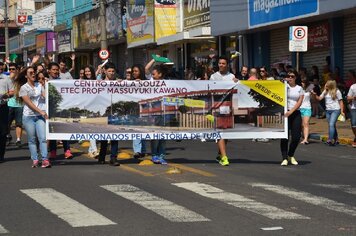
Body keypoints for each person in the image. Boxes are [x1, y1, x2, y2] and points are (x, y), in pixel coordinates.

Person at [16, 67, 51, 168]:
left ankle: (45, 159)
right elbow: (29, 103)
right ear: (26, 75)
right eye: (30, 73)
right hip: (28, 117)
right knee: (32, 139)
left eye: (34, 72)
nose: (33, 74)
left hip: (40, 117)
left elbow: (45, 96)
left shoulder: (39, 85)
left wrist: (47, 85)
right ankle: (35, 159)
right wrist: (41, 111)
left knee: (43, 138)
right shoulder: (23, 88)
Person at [210, 56, 238, 166]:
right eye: (219, 63)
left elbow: (237, 90)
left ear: (227, 65)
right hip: (217, 106)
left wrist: (237, 82)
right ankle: (224, 157)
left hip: (228, 106)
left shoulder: (232, 76)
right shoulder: (213, 76)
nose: (221, 65)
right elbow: (211, 91)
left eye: (223, 63)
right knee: (220, 132)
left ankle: (220, 154)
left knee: (226, 133)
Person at [47, 62, 73, 159]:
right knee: (52, 131)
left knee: (63, 130)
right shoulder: (45, 81)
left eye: (56, 69)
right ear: (49, 70)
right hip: (49, 110)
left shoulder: (62, 81)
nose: (55, 71)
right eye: (53, 69)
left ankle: (67, 150)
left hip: (61, 109)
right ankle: (53, 151)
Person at [97, 62, 120, 166]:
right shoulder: (100, 82)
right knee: (104, 137)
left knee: (115, 136)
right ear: (105, 71)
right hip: (103, 112)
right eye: (109, 71)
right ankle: (102, 157)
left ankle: (113, 158)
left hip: (115, 112)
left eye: (113, 71)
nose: (111, 73)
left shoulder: (118, 82)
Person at [281, 69, 304, 166]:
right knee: (284, 137)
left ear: (296, 78)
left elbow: (299, 101)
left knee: (296, 137)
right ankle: (284, 158)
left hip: (295, 113)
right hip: (285, 113)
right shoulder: (283, 86)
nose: (290, 78)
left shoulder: (299, 88)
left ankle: (291, 154)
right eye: (288, 76)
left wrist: (291, 111)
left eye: (292, 76)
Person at [312, 80, 345, 146]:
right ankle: (336, 139)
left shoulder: (337, 91)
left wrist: (342, 111)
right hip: (328, 111)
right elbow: (319, 99)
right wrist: (314, 95)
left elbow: (341, 102)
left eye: (327, 84)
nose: (325, 84)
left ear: (330, 85)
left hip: (336, 110)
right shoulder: (325, 91)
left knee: (331, 124)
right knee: (332, 125)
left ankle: (330, 139)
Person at [130, 64, 147, 158]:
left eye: (136, 71)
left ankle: (143, 150)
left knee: (143, 130)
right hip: (135, 110)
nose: (134, 73)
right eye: (133, 71)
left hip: (145, 109)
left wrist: (142, 83)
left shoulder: (146, 82)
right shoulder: (130, 82)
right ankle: (137, 150)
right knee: (136, 130)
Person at [7, 63, 23, 146]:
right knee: (7, 123)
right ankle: (8, 136)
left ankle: (18, 139)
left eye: (13, 69)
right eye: (10, 69)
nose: (11, 71)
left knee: (18, 123)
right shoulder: (7, 79)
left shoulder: (20, 79)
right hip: (9, 104)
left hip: (19, 105)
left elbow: (24, 73)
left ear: (17, 70)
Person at [0, 67, 13, 162]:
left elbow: (12, 91)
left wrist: (6, 95)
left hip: (3, 107)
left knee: (3, 132)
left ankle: (1, 155)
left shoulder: (6, 78)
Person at [300, 79, 314, 144]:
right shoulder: (299, 89)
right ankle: (303, 137)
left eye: (303, 82)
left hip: (307, 108)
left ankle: (306, 139)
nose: (302, 83)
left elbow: (313, 98)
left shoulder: (309, 89)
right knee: (302, 125)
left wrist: (313, 94)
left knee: (306, 123)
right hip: (299, 108)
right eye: (301, 82)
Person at [347, 79, 356, 147]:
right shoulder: (353, 86)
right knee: (353, 124)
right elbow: (348, 98)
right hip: (354, 108)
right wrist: (354, 97)